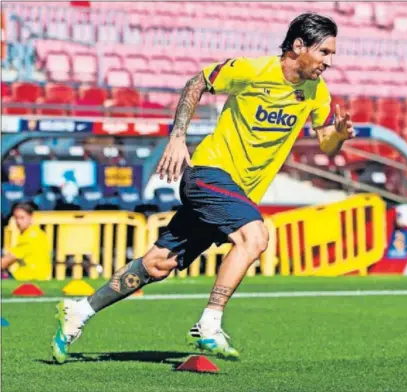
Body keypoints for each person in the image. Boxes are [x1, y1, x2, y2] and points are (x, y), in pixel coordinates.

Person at [51, 12, 355, 364]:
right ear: (299, 46)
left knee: (158, 264)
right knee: (255, 236)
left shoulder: (316, 93)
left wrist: (340, 138)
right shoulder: (251, 70)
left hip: (234, 195)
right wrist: (178, 138)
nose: (329, 62)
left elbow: (326, 144)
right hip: (208, 174)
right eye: (324, 52)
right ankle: (209, 324)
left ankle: (79, 311)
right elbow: (197, 82)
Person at [1, 202, 52, 281]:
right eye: (16, 218)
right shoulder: (37, 233)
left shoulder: (30, 237)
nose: (18, 221)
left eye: (22, 218)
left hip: (29, 277)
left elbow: (6, 261)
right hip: (37, 276)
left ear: (31, 218)